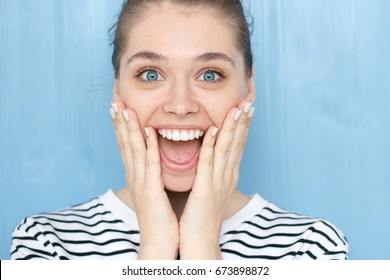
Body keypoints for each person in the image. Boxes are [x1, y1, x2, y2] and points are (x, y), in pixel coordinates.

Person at [11, 0, 348, 260]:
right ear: (118, 90)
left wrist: (201, 247)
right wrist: (157, 247)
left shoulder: (311, 247)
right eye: (151, 74)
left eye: (210, 75)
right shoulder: (47, 243)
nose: (180, 104)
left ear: (248, 88)